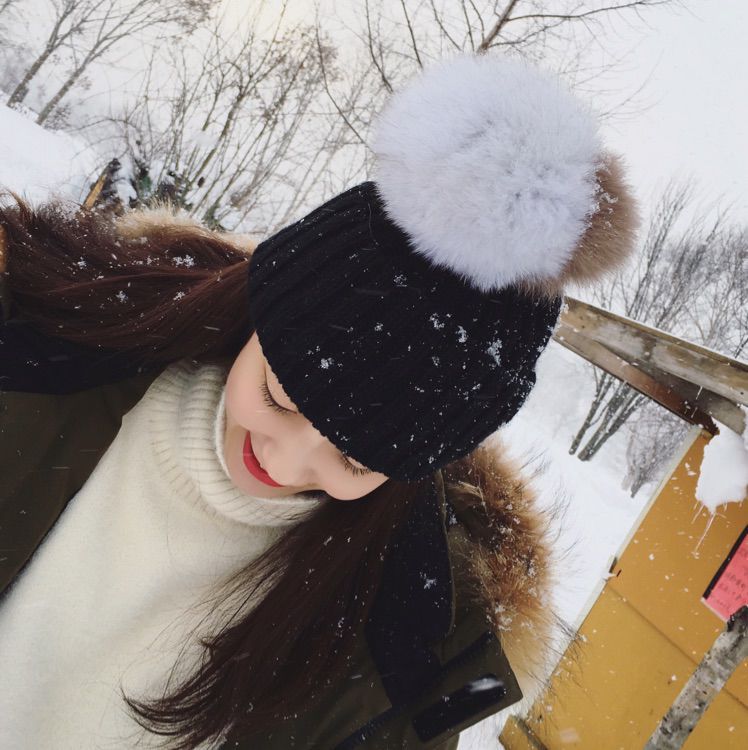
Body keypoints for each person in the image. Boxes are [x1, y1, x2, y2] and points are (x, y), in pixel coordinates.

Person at [0, 53, 639, 749]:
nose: (283, 463)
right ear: (262, 313)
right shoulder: (36, 348)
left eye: (355, 461)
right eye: (279, 396)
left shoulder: (403, 653)